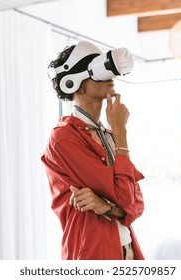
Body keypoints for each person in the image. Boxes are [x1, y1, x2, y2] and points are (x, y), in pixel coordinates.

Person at [41, 41, 145, 260]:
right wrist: (120, 131)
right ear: (76, 84)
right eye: (98, 71)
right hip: (92, 253)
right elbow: (125, 197)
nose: (110, 77)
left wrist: (107, 208)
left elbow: (137, 205)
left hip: (127, 250)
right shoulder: (63, 138)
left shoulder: (107, 133)